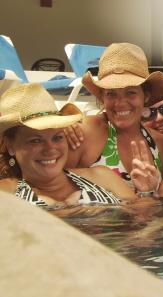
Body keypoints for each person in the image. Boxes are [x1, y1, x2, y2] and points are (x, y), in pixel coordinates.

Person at [0, 83, 142, 208]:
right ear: (10, 145)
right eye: (36, 140)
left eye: (58, 137)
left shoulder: (102, 175)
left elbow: (147, 220)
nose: (50, 149)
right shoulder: (6, 192)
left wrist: (147, 190)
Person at [65, 43, 163, 190]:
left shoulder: (162, 145)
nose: (120, 103)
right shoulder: (86, 132)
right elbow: (50, 182)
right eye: (111, 93)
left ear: (145, 96)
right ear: (102, 97)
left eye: (130, 92)